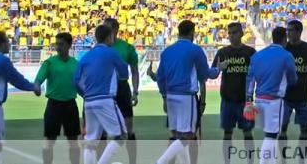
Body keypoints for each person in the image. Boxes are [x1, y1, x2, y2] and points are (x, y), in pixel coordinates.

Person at [154, 20, 226, 164]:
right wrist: (219, 68)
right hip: (186, 96)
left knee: (177, 135)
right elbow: (206, 74)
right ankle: (160, 162)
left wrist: (164, 96)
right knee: (188, 136)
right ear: (192, 33)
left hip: (170, 96)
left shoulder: (167, 51)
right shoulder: (195, 50)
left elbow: (160, 78)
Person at [73, 25, 129, 164]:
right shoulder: (111, 52)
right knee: (121, 136)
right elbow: (124, 73)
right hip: (105, 99)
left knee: (91, 142)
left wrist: (85, 94)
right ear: (109, 37)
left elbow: (75, 81)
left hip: (89, 102)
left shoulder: (86, 56)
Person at [246, 26, 298, 164]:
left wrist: (248, 99)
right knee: (271, 135)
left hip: (260, 99)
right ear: (284, 39)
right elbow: (293, 78)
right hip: (274, 100)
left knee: (268, 134)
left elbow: (250, 79)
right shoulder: (287, 56)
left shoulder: (257, 55)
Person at [0, 31, 40, 164]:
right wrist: (33, 87)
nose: (9, 44)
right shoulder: (2, 60)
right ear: (1, 44)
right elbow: (17, 79)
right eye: (7, 41)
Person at [279, 19, 307, 164]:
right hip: (285, 97)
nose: (288, 33)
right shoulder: (283, 49)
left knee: (304, 130)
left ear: (298, 32)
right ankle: (283, 159)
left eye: (290, 30)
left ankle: (301, 160)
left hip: (303, 97)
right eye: (287, 30)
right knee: (282, 129)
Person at [212, 22, 256, 164]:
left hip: (245, 101)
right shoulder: (222, 53)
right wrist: (218, 69)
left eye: (234, 32)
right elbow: (212, 73)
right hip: (227, 100)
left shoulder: (250, 53)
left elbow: (258, 74)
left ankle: (250, 162)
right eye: (229, 33)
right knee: (227, 133)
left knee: (248, 132)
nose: (231, 35)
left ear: (242, 34)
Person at [34, 32, 80, 164]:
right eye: (56, 44)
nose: (58, 47)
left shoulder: (76, 64)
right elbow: (39, 79)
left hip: (71, 105)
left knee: (74, 142)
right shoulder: (49, 63)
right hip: (53, 106)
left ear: (69, 45)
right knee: (49, 141)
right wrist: (37, 86)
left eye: (61, 44)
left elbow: (82, 85)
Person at [104, 17, 139, 164]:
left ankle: (132, 161)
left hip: (123, 89)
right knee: (103, 130)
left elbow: (135, 71)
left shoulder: (127, 48)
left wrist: (136, 92)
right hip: (105, 90)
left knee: (128, 129)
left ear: (115, 30)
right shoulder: (100, 48)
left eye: (106, 28)